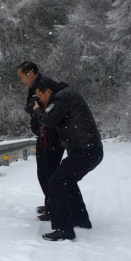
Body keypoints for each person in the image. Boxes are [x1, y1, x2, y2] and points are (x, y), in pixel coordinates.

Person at [32, 76, 103, 241]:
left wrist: (37, 110)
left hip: (85, 150)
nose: (39, 100)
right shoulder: (64, 95)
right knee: (66, 182)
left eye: (40, 96)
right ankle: (81, 219)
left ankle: (64, 230)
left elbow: (48, 119)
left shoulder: (62, 96)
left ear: (48, 91)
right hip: (89, 150)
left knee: (56, 183)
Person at [17, 62, 64, 221]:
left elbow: (41, 107)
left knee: (48, 173)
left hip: (50, 136)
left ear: (30, 73)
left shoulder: (44, 85)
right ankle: (51, 203)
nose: (21, 81)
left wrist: (32, 108)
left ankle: (55, 207)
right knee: (44, 172)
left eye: (21, 77)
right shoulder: (36, 87)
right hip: (44, 134)